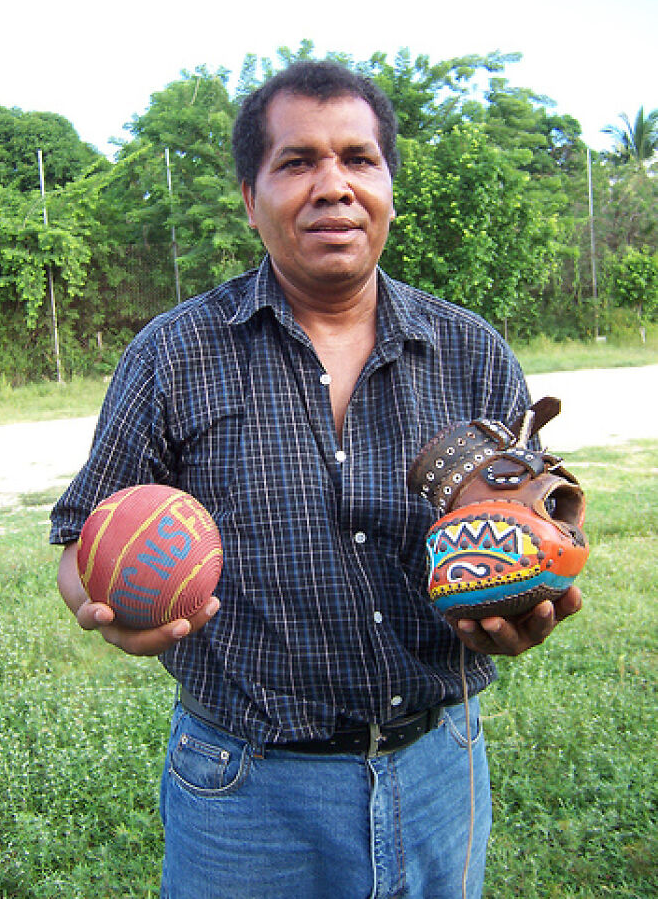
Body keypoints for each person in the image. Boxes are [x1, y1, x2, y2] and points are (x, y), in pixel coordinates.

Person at [51, 60, 582, 899]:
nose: (332, 185)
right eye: (296, 162)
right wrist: (96, 597)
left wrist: (528, 592)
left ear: (389, 189)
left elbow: (543, 521)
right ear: (248, 196)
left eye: (358, 159)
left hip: (440, 767)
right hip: (246, 791)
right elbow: (86, 536)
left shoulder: (472, 350)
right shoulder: (173, 354)